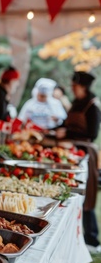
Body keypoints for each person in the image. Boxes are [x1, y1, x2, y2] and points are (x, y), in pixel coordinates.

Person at [55, 71, 101, 252]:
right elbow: (67, 125)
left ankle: (92, 237)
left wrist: (67, 134)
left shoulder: (93, 107)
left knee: (88, 193)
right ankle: (77, 234)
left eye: (75, 86)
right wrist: (57, 129)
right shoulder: (75, 104)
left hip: (86, 153)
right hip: (71, 151)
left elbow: (92, 134)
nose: (73, 89)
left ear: (83, 87)